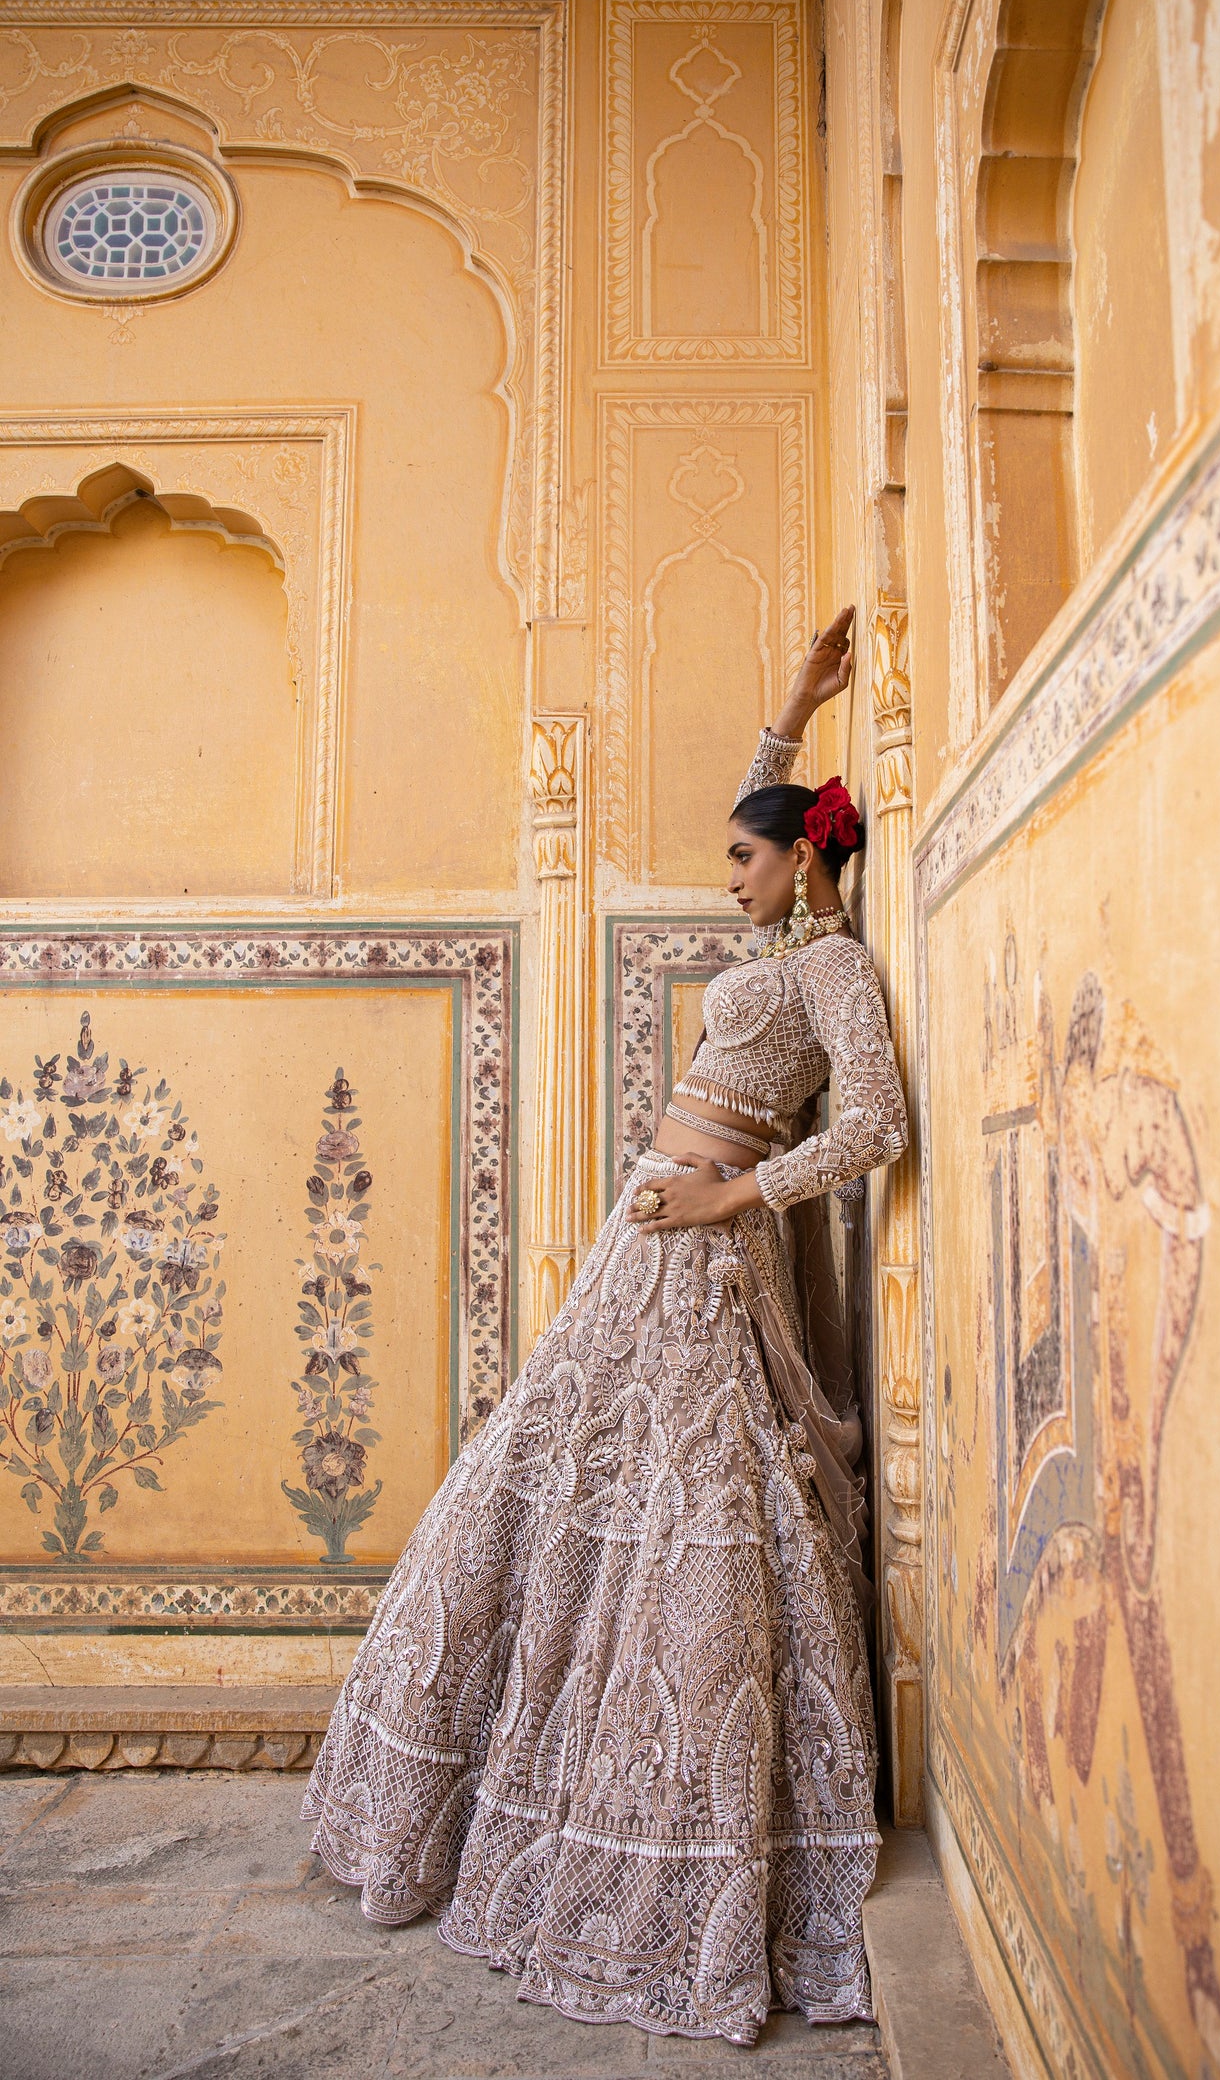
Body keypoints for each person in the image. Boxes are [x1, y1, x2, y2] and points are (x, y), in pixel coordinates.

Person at [303, 603, 909, 2046]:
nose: (730, 880)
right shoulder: (775, 937)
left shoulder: (827, 968)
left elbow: (878, 1124)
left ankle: (665, 1827)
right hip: (645, 1249)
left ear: (805, 861)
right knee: (552, 1483)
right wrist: (794, 703)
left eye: (746, 859)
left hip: (701, 1254)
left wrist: (736, 1200)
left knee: (688, 1519)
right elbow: (766, 802)